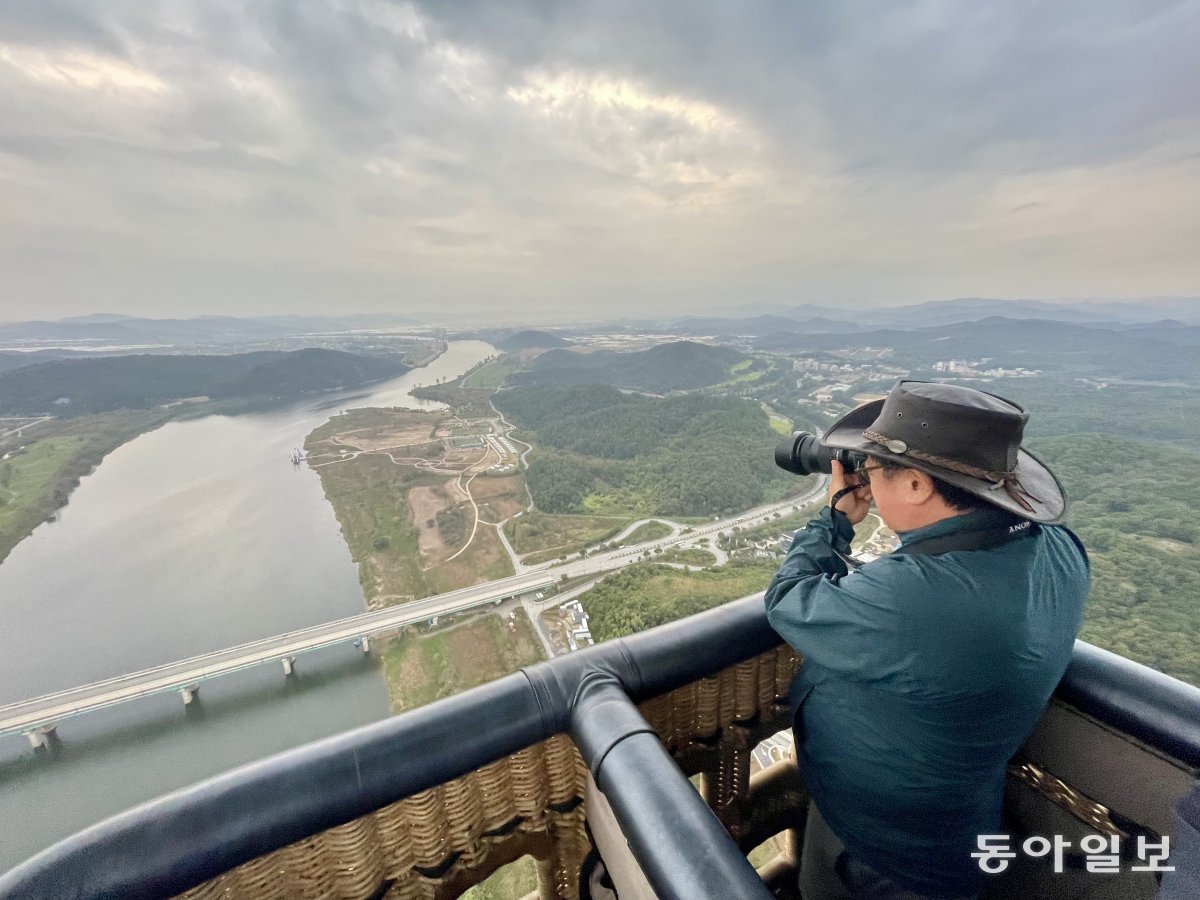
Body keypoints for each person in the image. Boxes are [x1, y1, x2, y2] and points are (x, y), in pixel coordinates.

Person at [764, 381, 1090, 900]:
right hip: (955, 829)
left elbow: (787, 598)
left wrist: (835, 521)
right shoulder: (1057, 549)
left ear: (917, 484)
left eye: (872, 471)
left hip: (884, 855)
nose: (865, 480)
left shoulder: (912, 598)